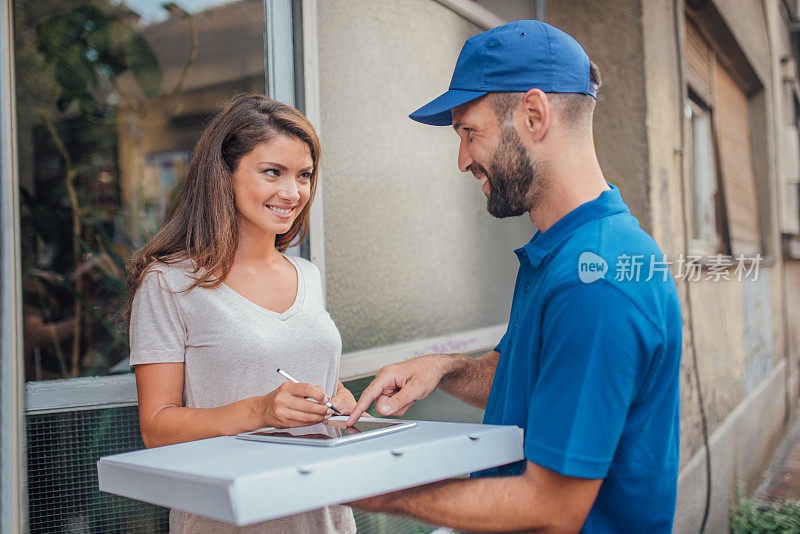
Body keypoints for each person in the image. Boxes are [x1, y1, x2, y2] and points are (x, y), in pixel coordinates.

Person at [346, 20, 682, 533]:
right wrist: (444, 369)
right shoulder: (565, 253)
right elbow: (530, 379)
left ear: (533, 114)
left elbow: (550, 509)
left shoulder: (596, 281)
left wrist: (378, 486)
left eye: (469, 132)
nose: (462, 161)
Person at [125, 94, 357, 533]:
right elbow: (156, 428)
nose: (292, 193)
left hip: (325, 518)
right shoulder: (169, 283)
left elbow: (306, 372)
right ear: (224, 175)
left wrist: (350, 401)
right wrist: (261, 411)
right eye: (273, 172)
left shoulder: (308, 275)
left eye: (304, 176)